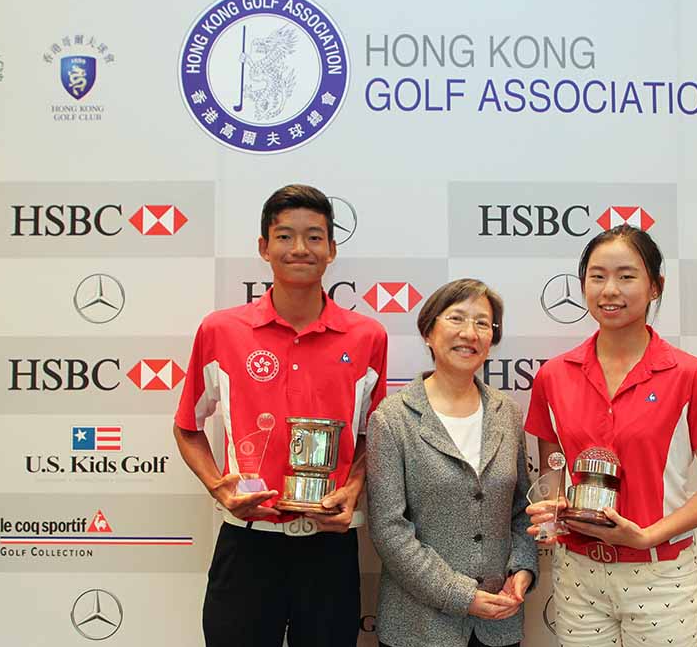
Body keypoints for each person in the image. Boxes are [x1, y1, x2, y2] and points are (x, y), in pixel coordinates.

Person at [173, 184, 388, 647]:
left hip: (329, 544)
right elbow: (187, 428)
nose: (299, 249)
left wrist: (352, 488)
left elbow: (373, 435)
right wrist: (219, 486)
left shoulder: (367, 337)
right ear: (263, 247)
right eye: (284, 236)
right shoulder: (220, 331)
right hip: (247, 542)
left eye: (314, 237)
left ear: (331, 249)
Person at [525, 225, 697, 647]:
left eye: (626, 276)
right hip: (578, 574)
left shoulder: (688, 375)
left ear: (655, 287)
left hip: (661, 575)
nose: (610, 290)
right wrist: (551, 510)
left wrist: (647, 535)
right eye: (597, 276)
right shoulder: (553, 376)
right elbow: (553, 474)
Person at [366, 278, 538, 647]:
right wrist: (461, 596)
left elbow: (522, 510)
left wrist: (523, 569)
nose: (469, 333)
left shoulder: (506, 413)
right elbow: (388, 529)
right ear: (428, 331)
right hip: (419, 627)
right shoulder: (392, 418)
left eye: (482, 323)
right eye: (456, 318)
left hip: (499, 622)